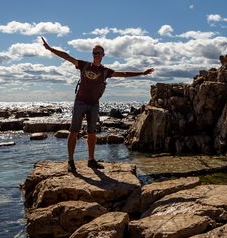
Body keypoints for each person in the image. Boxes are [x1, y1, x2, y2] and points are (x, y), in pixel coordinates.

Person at [41, 36, 154, 172]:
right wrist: (50, 49)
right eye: (94, 53)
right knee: (74, 131)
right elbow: (66, 56)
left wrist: (142, 73)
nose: (96, 55)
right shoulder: (84, 65)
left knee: (92, 133)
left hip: (94, 104)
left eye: (98, 53)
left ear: (103, 55)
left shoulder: (105, 71)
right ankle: (70, 161)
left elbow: (123, 73)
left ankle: (91, 160)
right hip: (80, 102)